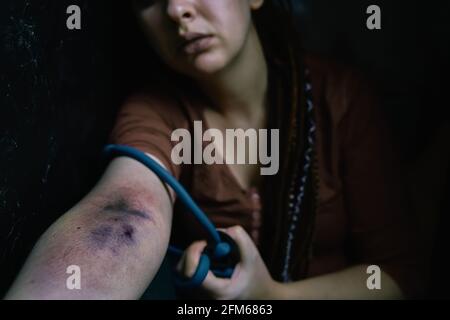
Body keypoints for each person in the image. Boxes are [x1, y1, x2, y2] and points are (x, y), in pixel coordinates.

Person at [5, 0, 424, 299]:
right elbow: (126, 209)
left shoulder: (342, 99)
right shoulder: (155, 111)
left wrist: (271, 297)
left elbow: (396, 274)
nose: (175, 10)